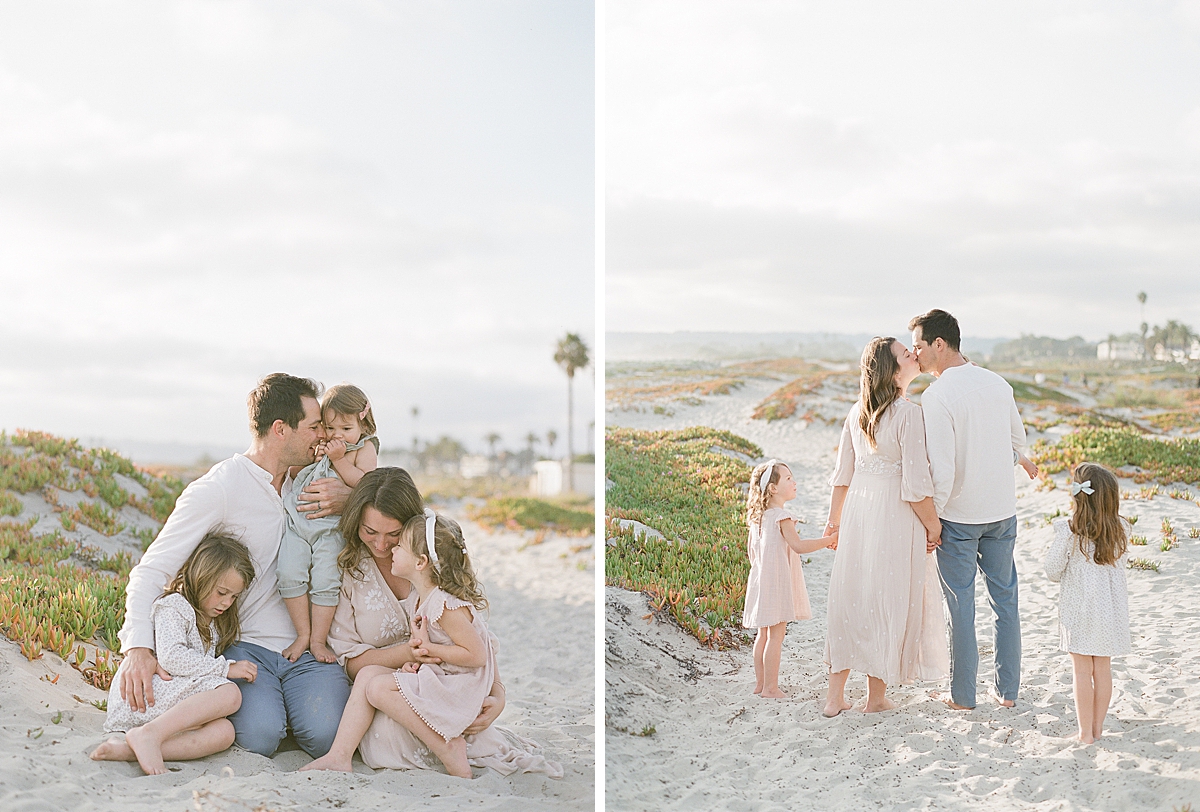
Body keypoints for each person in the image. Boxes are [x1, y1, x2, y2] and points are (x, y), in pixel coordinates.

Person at [116, 373, 354, 758]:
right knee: (260, 738)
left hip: (310, 646)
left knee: (325, 736)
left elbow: (389, 508)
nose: (322, 436)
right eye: (313, 427)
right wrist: (138, 647)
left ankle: (295, 707)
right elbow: (152, 569)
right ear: (281, 429)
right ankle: (274, 712)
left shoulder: (316, 479)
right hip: (245, 647)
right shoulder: (220, 488)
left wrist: (350, 497)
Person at [321, 468, 559, 776]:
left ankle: (449, 746)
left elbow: (477, 639)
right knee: (371, 692)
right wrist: (412, 654)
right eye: (370, 532)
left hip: (437, 687)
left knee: (392, 710)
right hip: (398, 690)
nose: (381, 546)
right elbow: (352, 662)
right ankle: (339, 757)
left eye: (393, 536)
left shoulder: (433, 572)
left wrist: (498, 694)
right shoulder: (351, 570)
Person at [306, 511, 494, 777]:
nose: (391, 549)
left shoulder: (444, 604)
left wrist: (427, 650)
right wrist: (415, 659)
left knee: (378, 689)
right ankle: (339, 756)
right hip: (441, 675)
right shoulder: (423, 599)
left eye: (399, 545)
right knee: (369, 675)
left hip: (457, 684)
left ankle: (447, 745)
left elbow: (478, 655)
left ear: (420, 562)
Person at [823, 337, 949, 717]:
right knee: (885, 596)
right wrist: (933, 526)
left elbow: (842, 477)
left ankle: (834, 698)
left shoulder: (855, 412)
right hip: (894, 514)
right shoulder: (908, 414)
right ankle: (874, 699)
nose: (912, 354)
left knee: (852, 596)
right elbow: (915, 485)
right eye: (904, 353)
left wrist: (835, 522)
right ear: (892, 370)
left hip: (860, 512)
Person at [911, 309, 1028, 710]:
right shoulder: (998, 383)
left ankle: (963, 697)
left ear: (939, 344)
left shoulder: (937, 396)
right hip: (1002, 511)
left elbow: (942, 470)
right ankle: (1008, 693)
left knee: (961, 607)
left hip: (959, 518)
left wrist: (933, 520)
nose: (916, 356)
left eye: (920, 347)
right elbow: (1018, 441)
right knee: (1005, 602)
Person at [92, 534, 258, 774]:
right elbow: (171, 657)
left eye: (233, 596)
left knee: (224, 733)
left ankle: (131, 749)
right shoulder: (175, 606)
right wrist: (226, 668)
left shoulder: (209, 620)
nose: (226, 603)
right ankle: (150, 734)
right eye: (221, 592)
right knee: (230, 694)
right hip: (143, 693)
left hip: (167, 703)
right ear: (201, 577)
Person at [279, 383, 379, 664]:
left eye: (345, 429)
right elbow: (296, 472)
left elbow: (366, 485)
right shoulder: (323, 445)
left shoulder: (364, 448)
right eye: (330, 427)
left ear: (364, 422)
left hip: (332, 529)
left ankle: (317, 640)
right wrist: (313, 458)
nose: (337, 436)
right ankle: (301, 634)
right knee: (288, 573)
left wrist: (338, 461)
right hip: (299, 523)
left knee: (325, 580)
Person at [1044, 463, 1131, 744]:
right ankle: (1097, 728)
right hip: (1109, 613)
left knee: (1082, 672)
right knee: (1102, 669)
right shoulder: (1121, 529)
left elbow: (1052, 570)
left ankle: (1084, 735)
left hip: (1079, 612)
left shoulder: (1070, 531)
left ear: (1077, 497)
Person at [742, 460, 836, 698]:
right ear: (772, 488)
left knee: (763, 634)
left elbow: (751, 553)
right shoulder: (782, 517)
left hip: (761, 579)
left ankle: (760, 684)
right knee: (776, 636)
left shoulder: (758, 518)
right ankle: (771, 688)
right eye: (787, 479)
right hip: (776, 582)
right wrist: (830, 539)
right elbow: (799, 546)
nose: (794, 482)